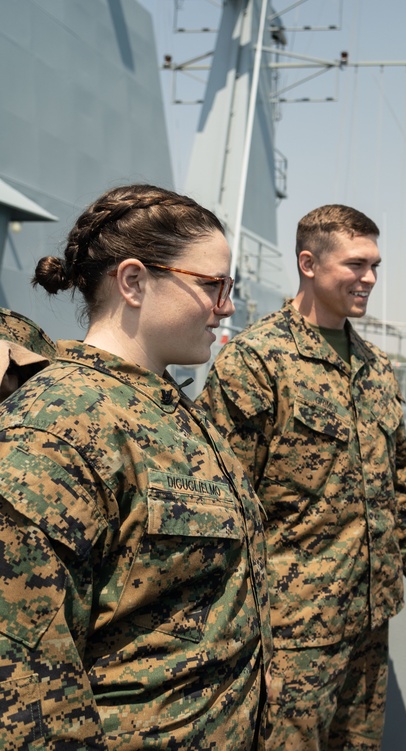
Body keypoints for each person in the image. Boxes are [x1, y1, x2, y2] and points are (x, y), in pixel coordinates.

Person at [0, 184, 272, 749]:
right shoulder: (55, 430)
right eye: (212, 286)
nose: (226, 306)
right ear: (133, 281)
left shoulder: (167, 407)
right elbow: (28, 682)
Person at [197, 203, 406, 751]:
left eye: (376, 265)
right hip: (291, 627)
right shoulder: (256, 362)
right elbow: (223, 501)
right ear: (309, 263)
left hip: (370, 618)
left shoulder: (375, 366)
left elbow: (396, 480)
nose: (370, 279)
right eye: (356, 265)